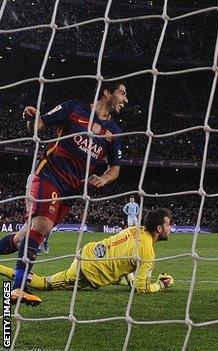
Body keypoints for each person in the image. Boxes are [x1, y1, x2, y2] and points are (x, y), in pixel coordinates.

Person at [4, 82, 128, 303]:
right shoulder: (73, 109)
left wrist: (102, 178)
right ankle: (17, 288)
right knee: (41, 225)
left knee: (24, 236)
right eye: (122, 93)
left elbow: (115, 169)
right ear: (107, 93)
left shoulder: (114, 132)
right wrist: (30, 118)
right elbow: (38, 126)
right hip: (49, 174)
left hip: (72, 190)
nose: (125, 100)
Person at [6, 208, 175, 306]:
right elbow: (141, 288)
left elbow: (124, 261)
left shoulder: (135, 229)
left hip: (89, 252)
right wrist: (161, 284)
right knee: (45, 283)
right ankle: (9, 275)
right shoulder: (147, 252)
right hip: (88, 271)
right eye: (169, 224)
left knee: (119, 272)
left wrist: (129, 279)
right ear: (159, 229)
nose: (171, 227)